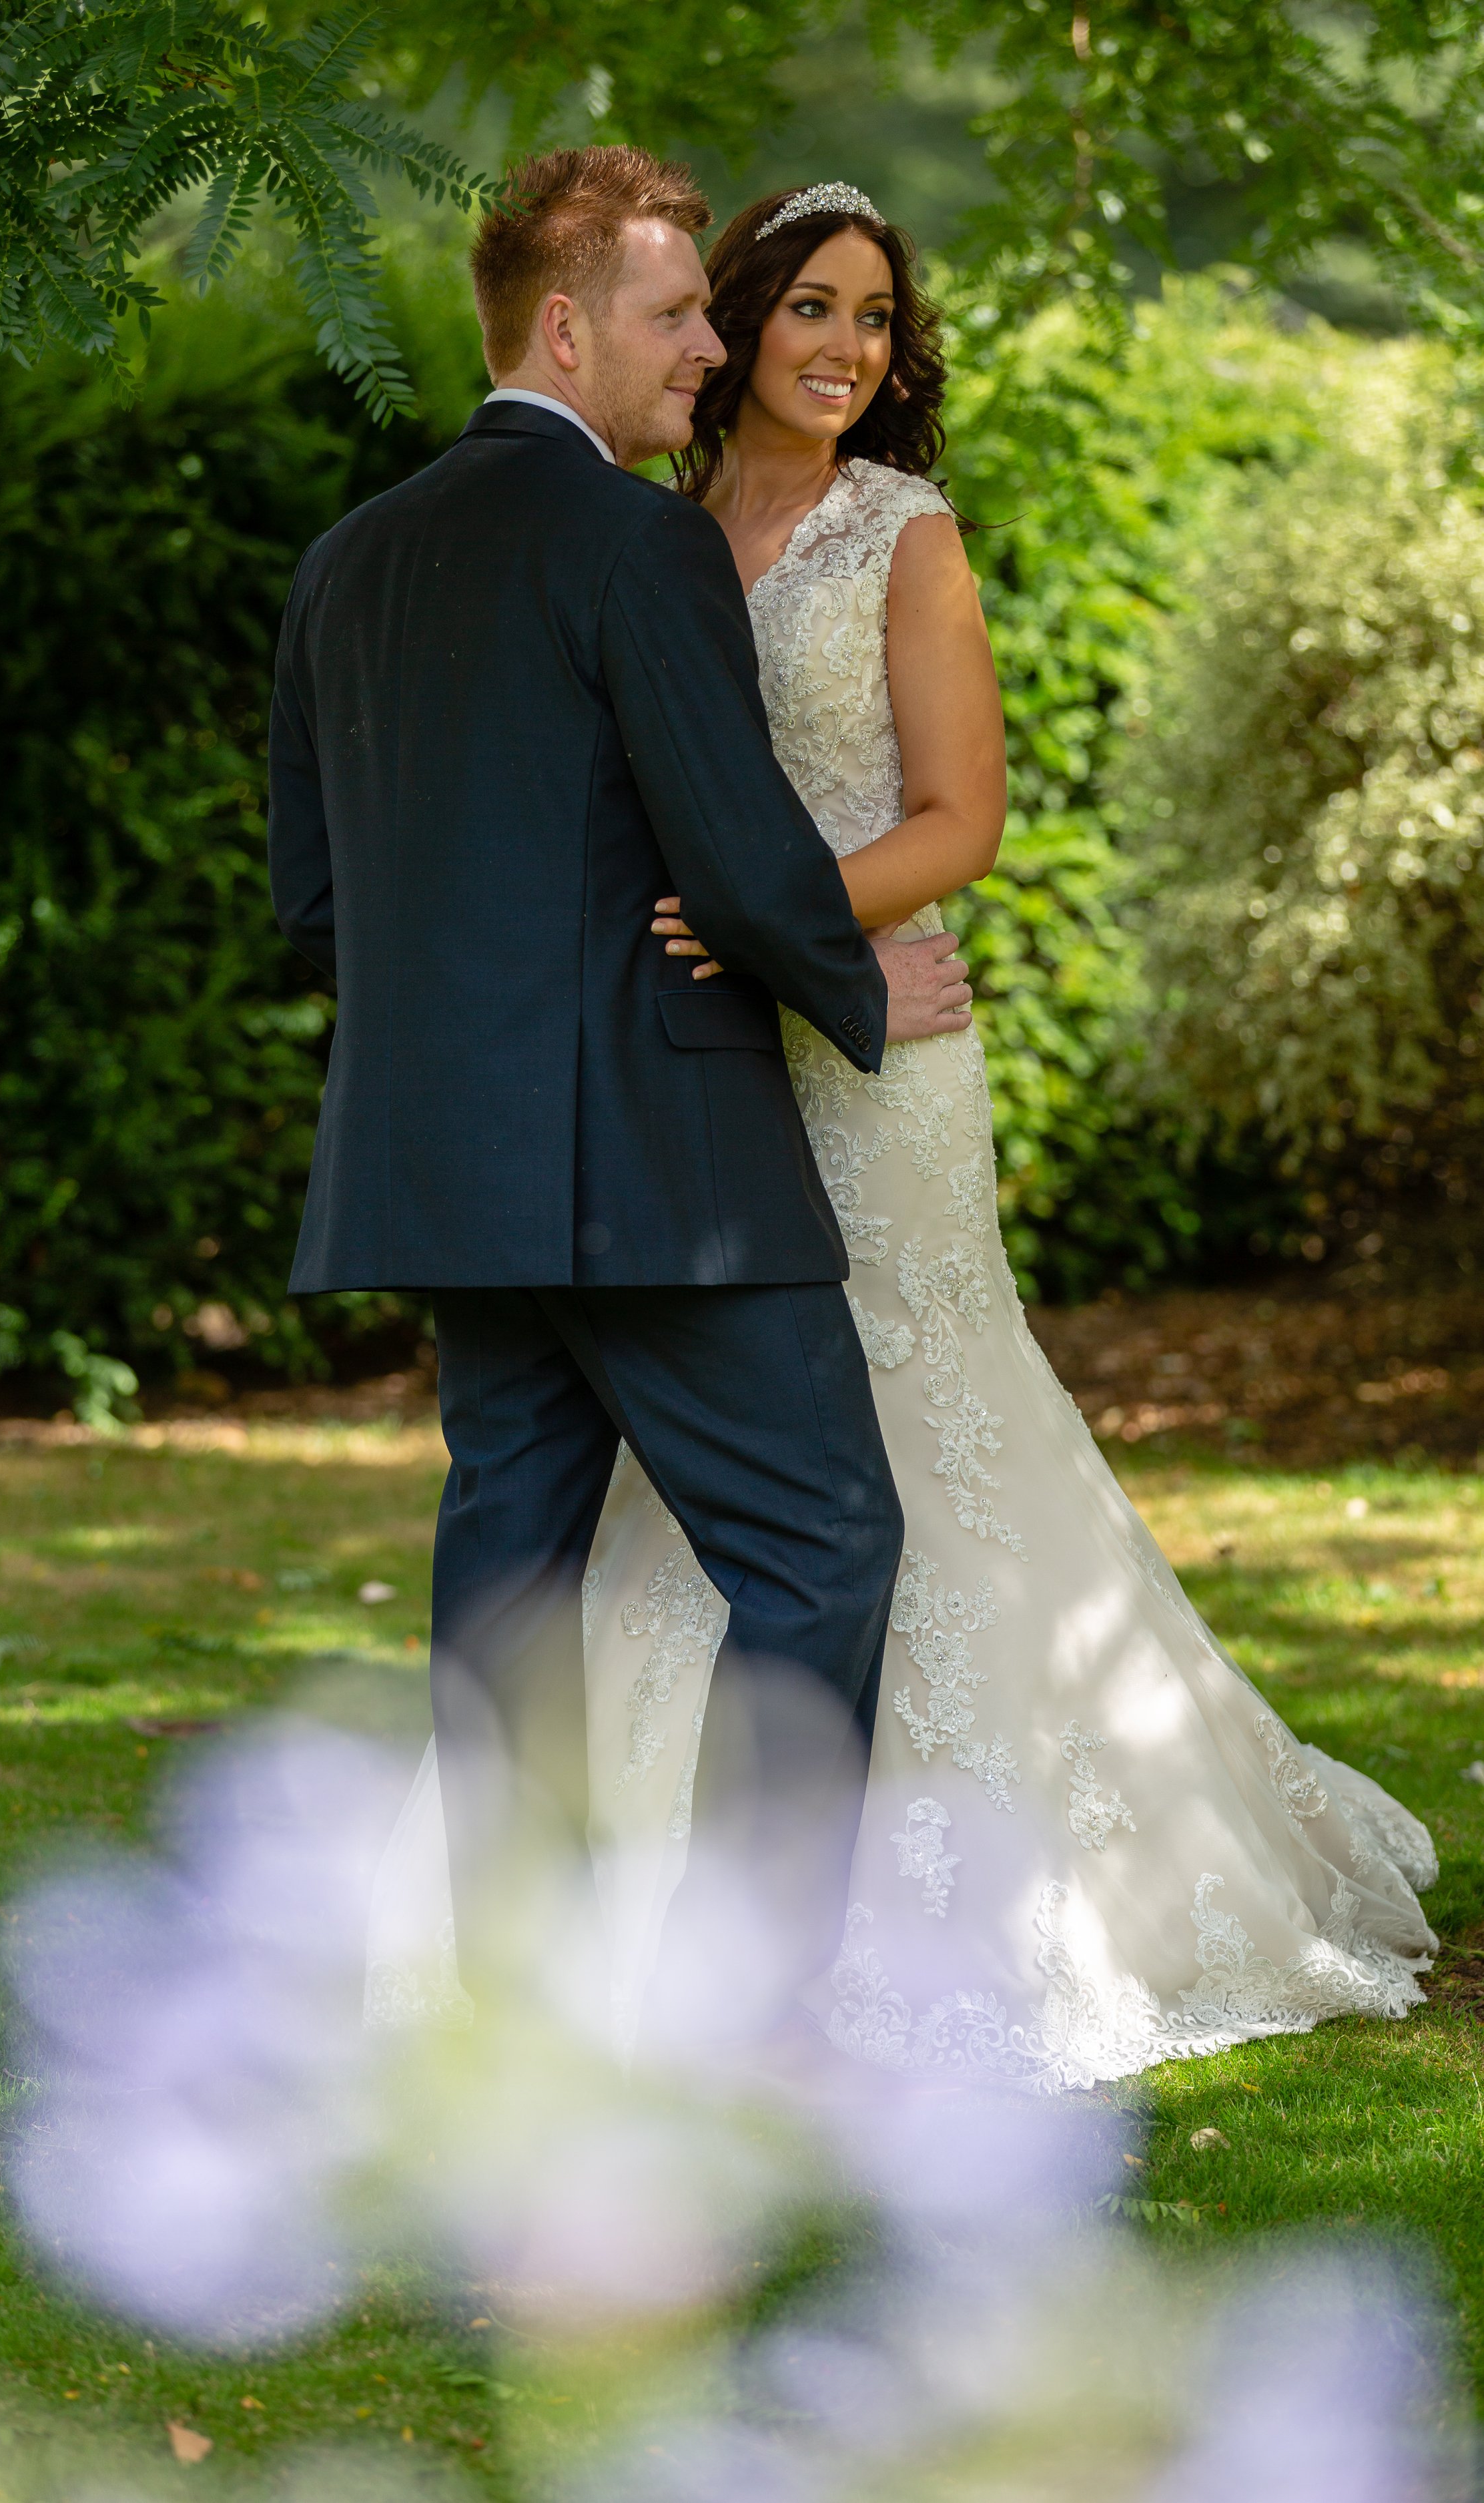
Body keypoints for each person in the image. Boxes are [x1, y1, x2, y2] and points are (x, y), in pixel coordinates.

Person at [578, 182, 1440, 2084]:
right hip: (705, 1058)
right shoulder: (638, 540)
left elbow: (959, 821)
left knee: (918, 1409)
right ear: (727, 324)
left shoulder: (906, 533)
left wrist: (788, 938)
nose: (844, 347)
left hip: (879, 1049)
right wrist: (720, 961)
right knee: (712, 1427)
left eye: (875, 319)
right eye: (809, 305)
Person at [267, 146, 974, 2054]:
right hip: (665, 1165)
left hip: (445, 1172)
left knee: (507, 1574)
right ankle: (741, 2014)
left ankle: (506, 2002)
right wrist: (861, 983)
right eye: (677, 315)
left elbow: (318, 907)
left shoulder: (350, 559)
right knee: (821, 1543)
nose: (709, 344)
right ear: (565, 326)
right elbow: (738, 864)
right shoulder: (634, 538)